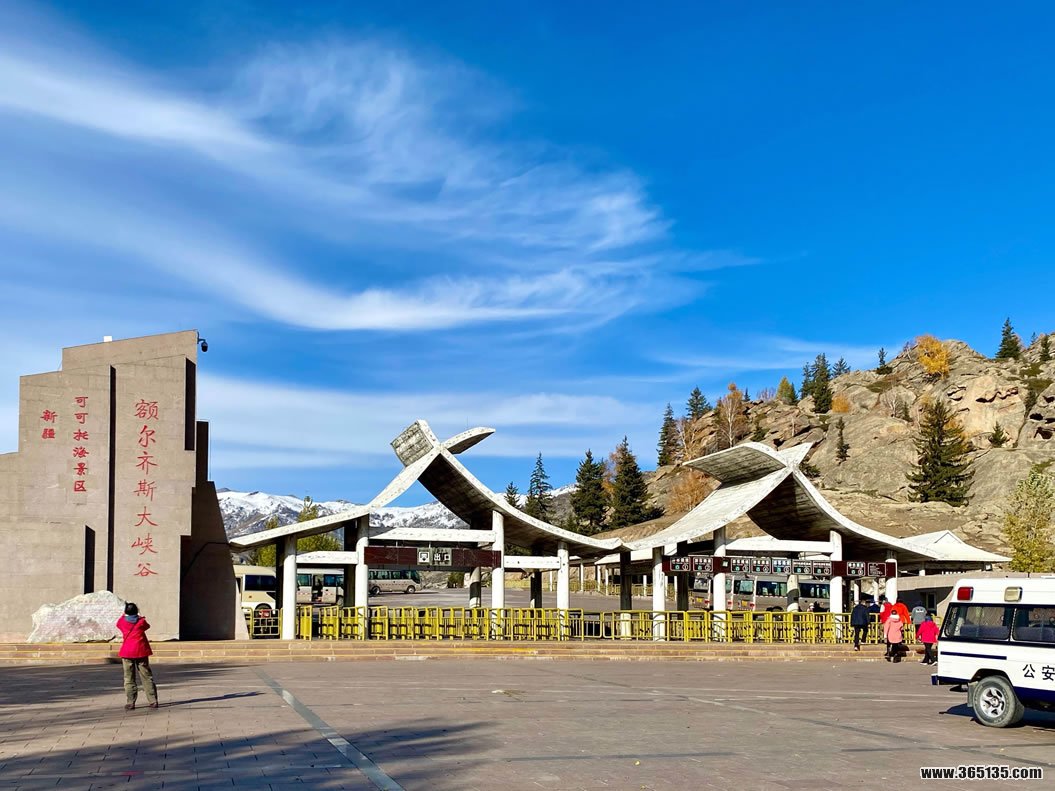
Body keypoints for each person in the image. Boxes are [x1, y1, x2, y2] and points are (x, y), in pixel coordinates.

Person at [116, 602, 158, 710]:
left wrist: (123, 614)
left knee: (129, 678)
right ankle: (153, 700)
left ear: (126, 611)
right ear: (136, 611)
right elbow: (147, 626)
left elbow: (118, 624)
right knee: (146, 676)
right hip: (141, 651)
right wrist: (139, 616)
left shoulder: (122, 622)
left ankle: (131, 702)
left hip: (127, 652)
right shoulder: (141, 621)